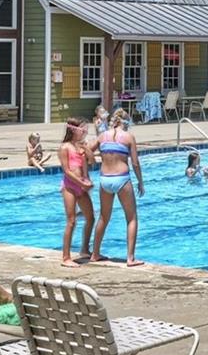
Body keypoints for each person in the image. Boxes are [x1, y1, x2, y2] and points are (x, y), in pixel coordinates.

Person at [90, 112, 145, 265]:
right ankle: (130, 258)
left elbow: (86, 150)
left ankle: (95, 254)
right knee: (131, 218)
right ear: (125, 122)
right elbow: (135, 163)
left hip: (105, 179)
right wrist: (140, 182)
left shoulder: (102, 136)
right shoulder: (128, 137)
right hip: (122, 178)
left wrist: (92, 162)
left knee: (103, 217)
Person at [57, 119, 94, 265]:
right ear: (73, 130)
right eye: (82, 130)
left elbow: (91, 163)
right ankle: (66, 257)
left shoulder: (80, 147)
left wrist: (87, 151)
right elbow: (67, 171)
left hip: (81, 186)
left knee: (90, 218)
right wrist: (81, 183)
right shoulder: (64, 147)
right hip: (70, 187)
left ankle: (84, 249)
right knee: (71, 221)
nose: (84, 132)